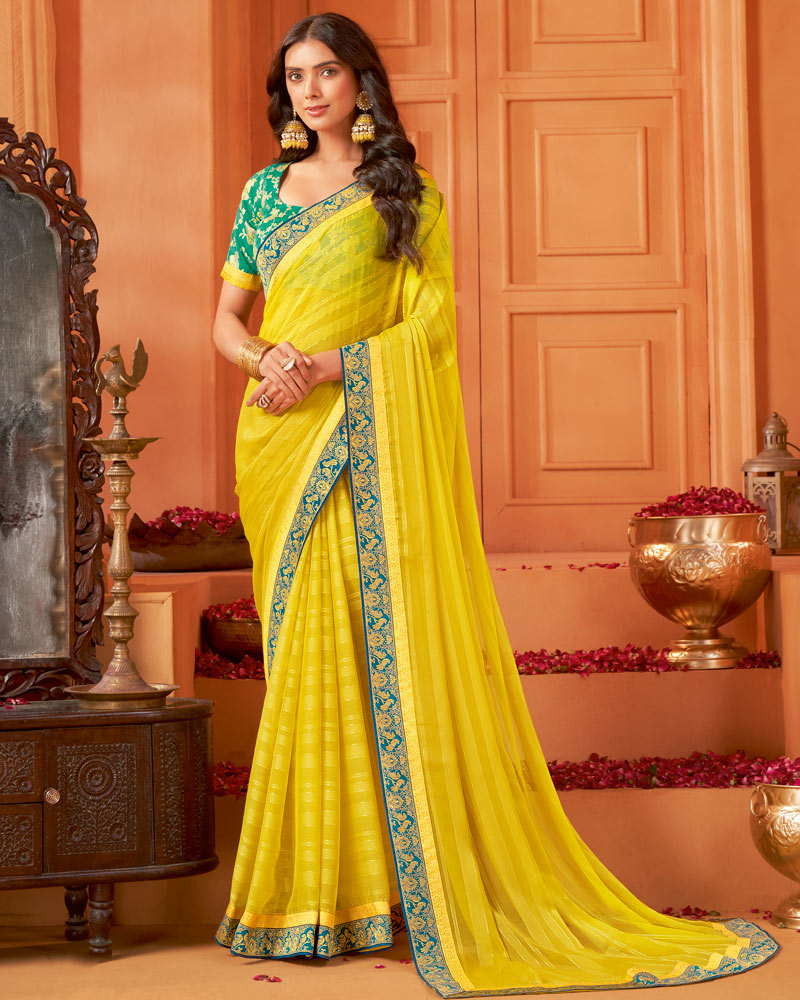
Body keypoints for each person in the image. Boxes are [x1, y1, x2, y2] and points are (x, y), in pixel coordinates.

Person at [210, 11, 778, 995]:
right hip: (281, 442)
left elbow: (429, 328)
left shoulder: (404, 192)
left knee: (373, 650)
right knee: (305, 655)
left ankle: (382, 893)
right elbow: (224, 320)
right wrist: (270, 361)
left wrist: (330, 366)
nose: (310, 90)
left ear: (360, 83)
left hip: (363, 433)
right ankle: (305, 898)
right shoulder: (264, 193)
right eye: (295, 76)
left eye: (326, 72)